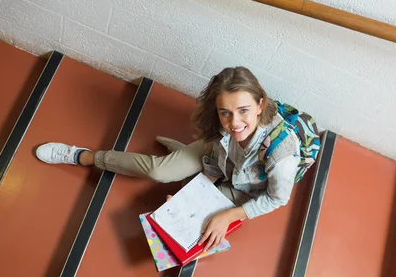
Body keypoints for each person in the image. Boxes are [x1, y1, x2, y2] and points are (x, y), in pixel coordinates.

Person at [36, 66, 301, 252]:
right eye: (225, 113)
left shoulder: (282, 156)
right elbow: (217, 152)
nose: (234, 123)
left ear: (260, 105)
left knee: (194, 225)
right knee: (158, 172)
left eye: (243, 111)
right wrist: (195, 191)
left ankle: (183, 169)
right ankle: (84, 157)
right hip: (216, 160)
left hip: (245, 189)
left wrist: (225, 214)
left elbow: (277, 198)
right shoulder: (225, 122)